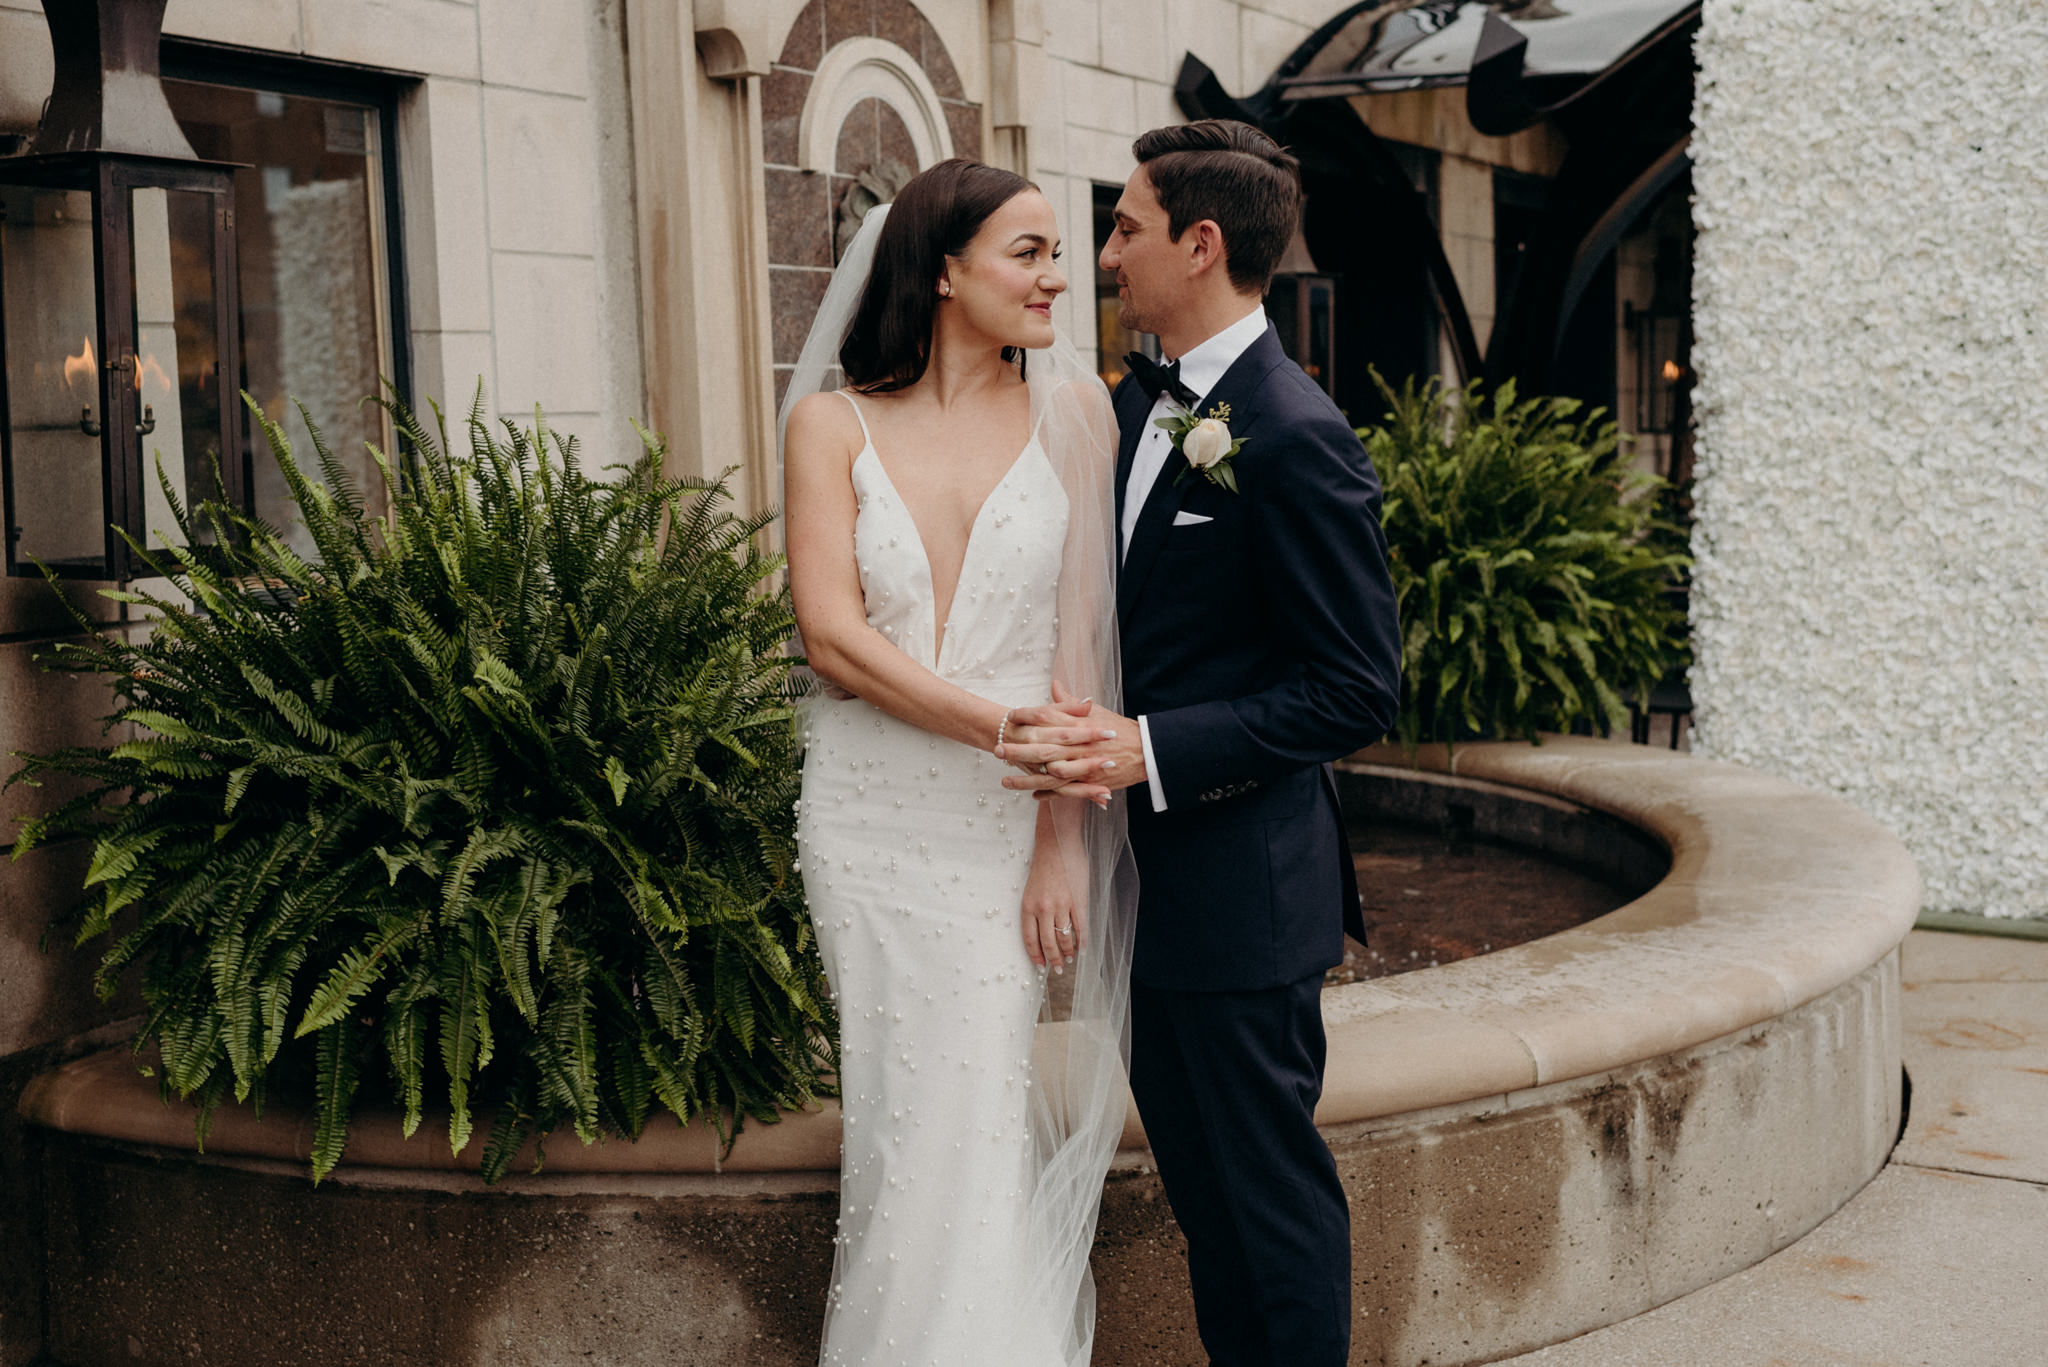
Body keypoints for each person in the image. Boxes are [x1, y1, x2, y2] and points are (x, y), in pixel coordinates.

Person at [1000, 120, 1403, 1366]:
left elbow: (1354, 687)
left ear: (1200, 241)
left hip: (1242, 899)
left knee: (1268, 1208)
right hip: (1153, 898)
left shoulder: (1291, 431)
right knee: (1208, 1207)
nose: (1106, 255)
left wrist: (1149, 748)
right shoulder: (1137, 404)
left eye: (1122, 227)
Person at [779, 159, 1135, 1367]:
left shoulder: (1075, 412)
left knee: (970, 1114)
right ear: (942, 272)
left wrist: (1060, 842)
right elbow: (829, 636)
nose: (1058, 278)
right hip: (867, 818)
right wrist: (992, 728)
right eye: (1026, 253)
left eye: (1058, 252)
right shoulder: (828, 423)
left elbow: (1077, 648)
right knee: (899, 1116)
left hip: (1001, 826)